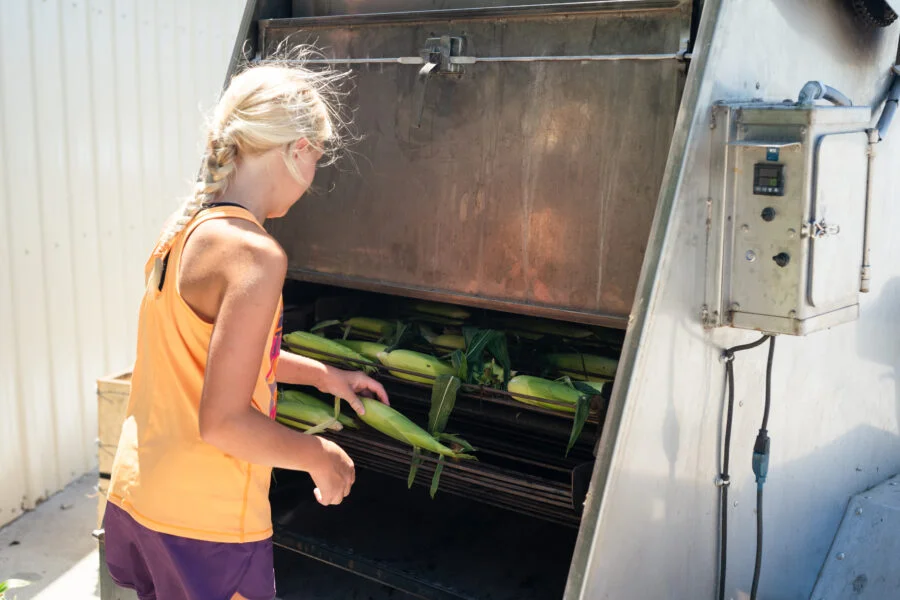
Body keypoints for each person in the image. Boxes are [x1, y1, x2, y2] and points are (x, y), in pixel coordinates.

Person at [102, 48, 386, 600]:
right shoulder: (256, 254)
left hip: (142, 496)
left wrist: (324, 375)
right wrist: (318, 458)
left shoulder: (186, 231)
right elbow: (224, 422)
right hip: (205, 525)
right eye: (317, 160)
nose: (310, 179)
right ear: (298, 151)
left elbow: (213, 353)